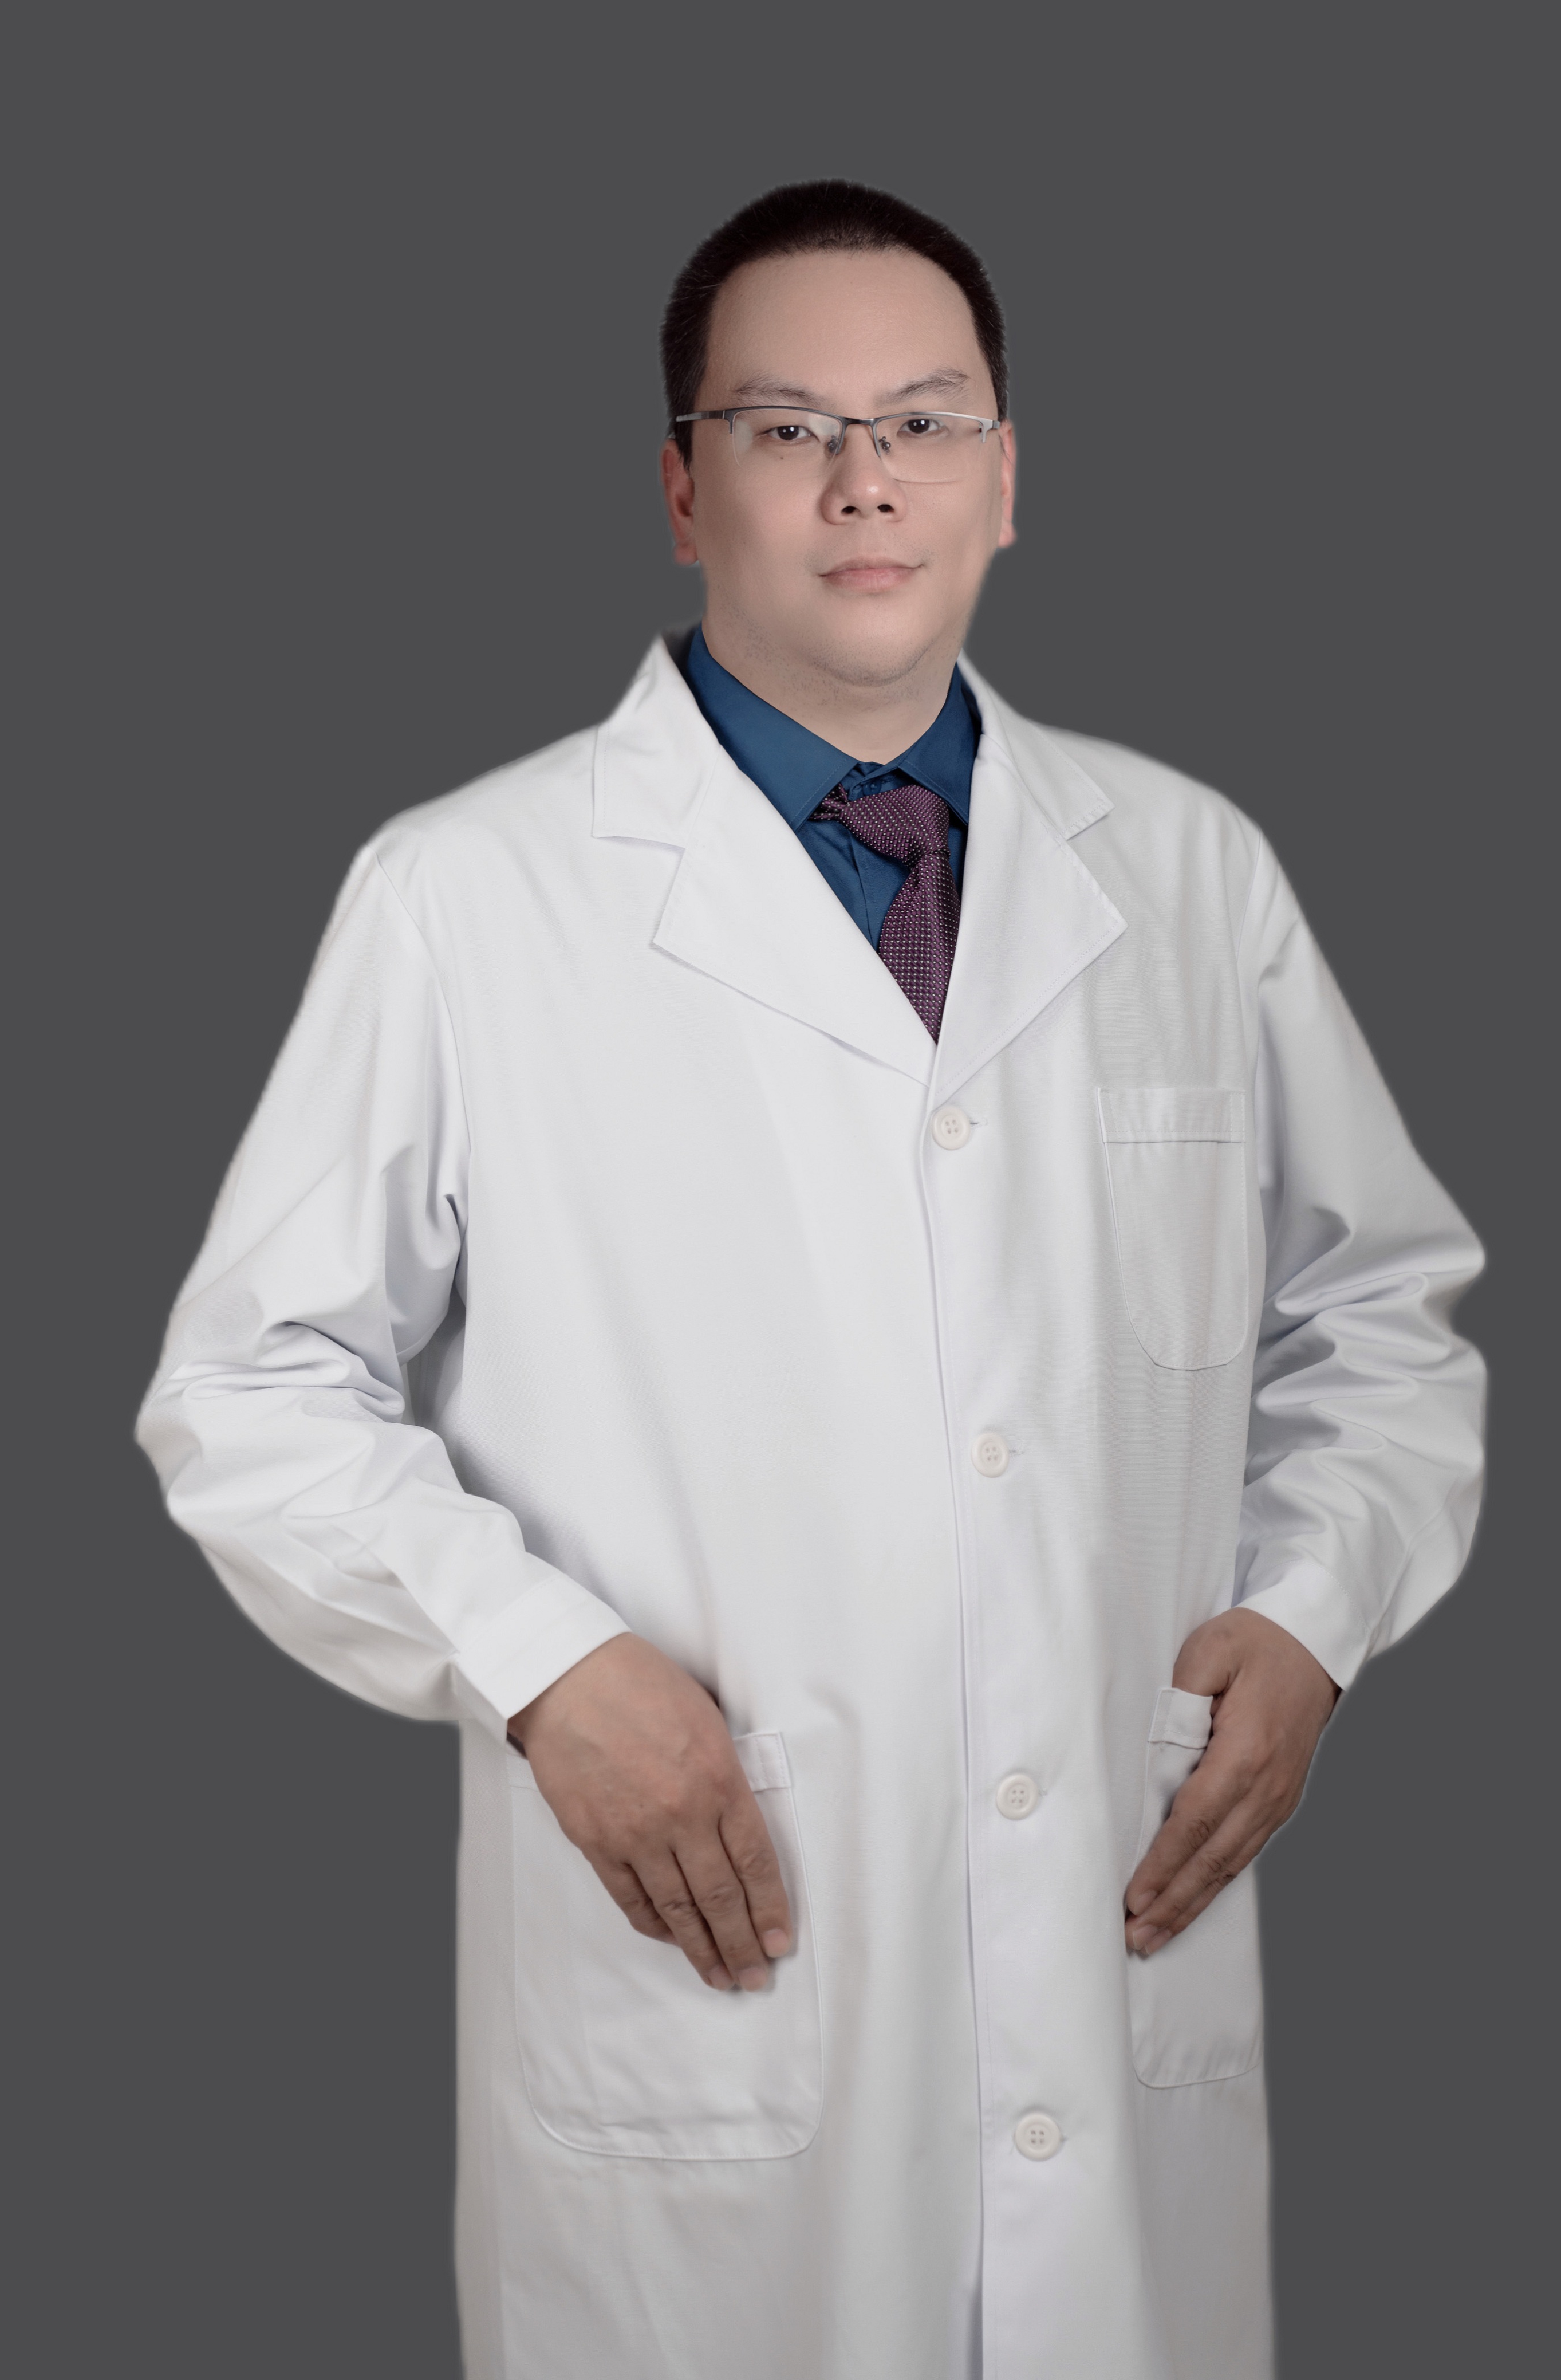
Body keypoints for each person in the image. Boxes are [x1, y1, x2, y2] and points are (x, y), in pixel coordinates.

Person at [136, 180, 1485, 2380]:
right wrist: (544, 1666)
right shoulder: (469, 894)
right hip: (708, 2059)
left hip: (1116, 2016)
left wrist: (1316, 1607)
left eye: (923, 423)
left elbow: (1381, 1315)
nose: (867, 483)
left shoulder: (1188, 870)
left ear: (1004, 479)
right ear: (683, 489)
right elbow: (252, 1386)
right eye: (787, 429)